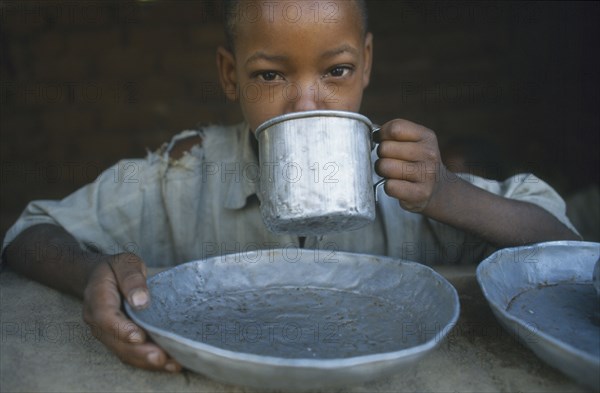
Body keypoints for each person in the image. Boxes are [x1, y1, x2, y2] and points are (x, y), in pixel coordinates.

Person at [1, 0, 579, 373]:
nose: (307, 103)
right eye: (270, 74)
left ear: (368, 65)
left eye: (337, 71)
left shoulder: (415, 176)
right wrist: (89, 274)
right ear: (231, 75)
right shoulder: (188, 172)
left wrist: (448, 195)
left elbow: (565, 253)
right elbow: (27, 232)